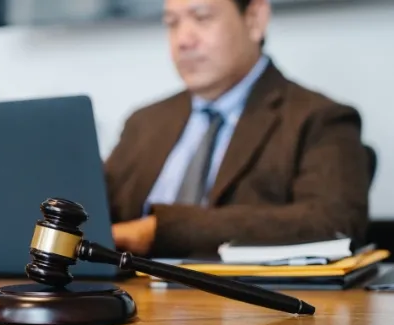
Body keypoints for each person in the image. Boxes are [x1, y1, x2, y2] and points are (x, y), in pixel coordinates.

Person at [104, 0, 370, 259]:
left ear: (254, 20)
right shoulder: (144, 122)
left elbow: (333, 222)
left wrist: (161, 230)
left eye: (202, 17)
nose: (182, 40)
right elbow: (95, 212)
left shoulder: (319, 119)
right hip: (125, 295)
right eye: (171, 23)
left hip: (244, 300)